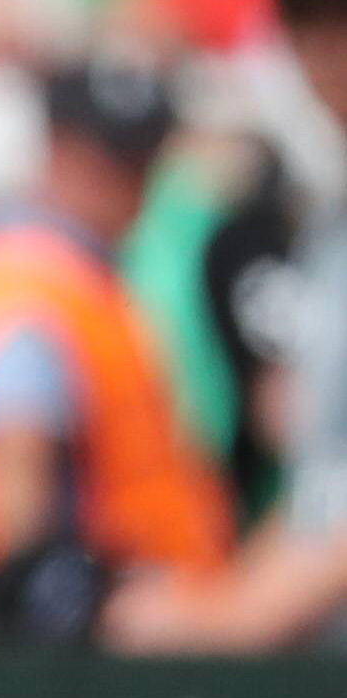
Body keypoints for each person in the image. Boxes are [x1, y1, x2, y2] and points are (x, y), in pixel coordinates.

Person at [0, 59, 229, 651]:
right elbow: (22, 476)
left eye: (135, 160)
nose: (125, 182)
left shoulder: (67, 269)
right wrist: (58, 607)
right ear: (59, 154)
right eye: (106, 160)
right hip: (33, 643)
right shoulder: (28, 277)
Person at [106, 0, 347, 652]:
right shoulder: (327, 225)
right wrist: (225, 599)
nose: (323, 52)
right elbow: (322, 482)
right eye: (306, 27)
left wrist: (228, 619)